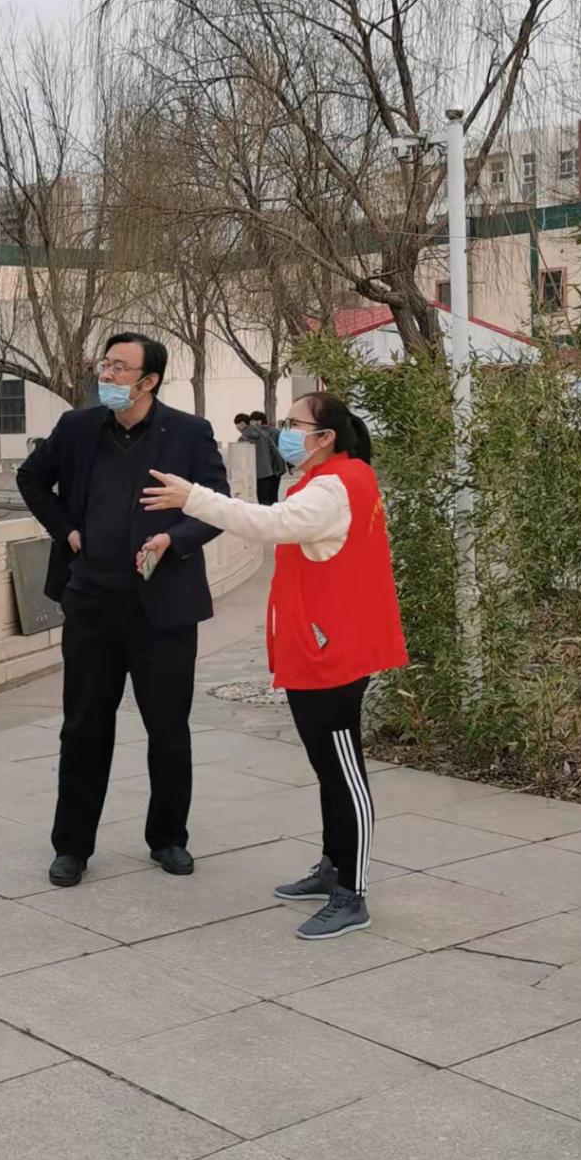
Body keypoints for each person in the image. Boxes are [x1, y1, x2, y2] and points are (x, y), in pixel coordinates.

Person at [144, 392, 407, 940]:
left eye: (294, 423)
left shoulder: (335, 487)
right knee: (328, 769)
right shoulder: (336, 477)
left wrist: (194, 498)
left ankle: (352, 893)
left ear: (325, 436)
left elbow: (268, 524)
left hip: (335, 654)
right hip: (321, 646)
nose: (286, 431)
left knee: (344, 773)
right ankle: (333, 865)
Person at [17, 332, 230, 888]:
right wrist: (66, 530)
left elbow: (216, 506)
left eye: (119, 368)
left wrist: (173, 540)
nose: (107, 376)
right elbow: (30, 479)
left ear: (149, 381)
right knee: (83, 727)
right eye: (105, 365)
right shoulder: (77, 427)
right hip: (91, 601)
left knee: (168, 729)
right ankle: (72, 846)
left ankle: (168, 838)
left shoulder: (189, 433)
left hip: (164, 608)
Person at [234, 412, 283, 506]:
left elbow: (242, 460)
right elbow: (274, 451)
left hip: (255, 474)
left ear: (242, 424)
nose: (237, 428)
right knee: (271, 499)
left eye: (237, 425)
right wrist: (279, 467)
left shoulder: (242, 439)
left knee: (261, 502)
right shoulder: (264, 434)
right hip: (268, 472)